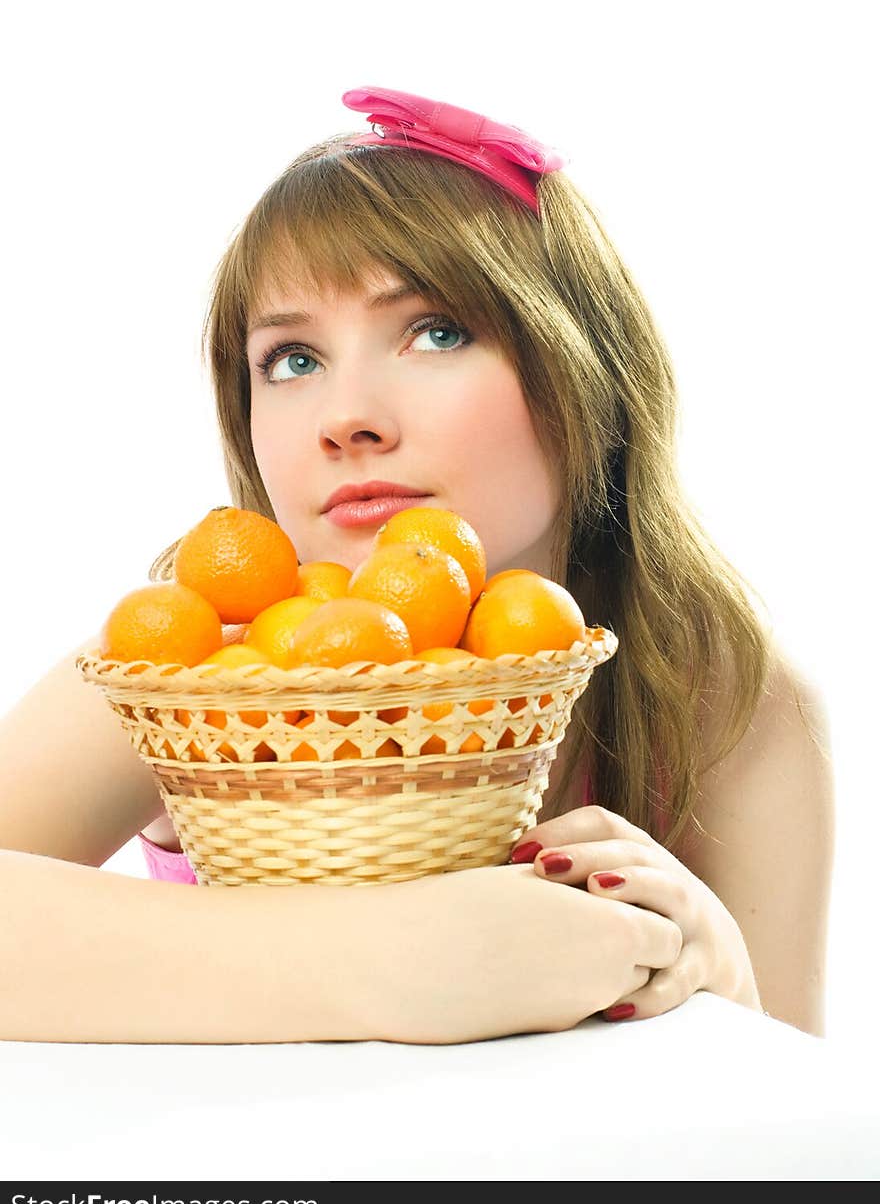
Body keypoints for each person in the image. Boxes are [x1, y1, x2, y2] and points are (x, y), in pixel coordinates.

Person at [0, 85, 834, 1045]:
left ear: (588, 366)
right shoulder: (185, 673)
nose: (345, 416)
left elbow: (802, 1162)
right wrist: (380, 960)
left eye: (436, 332)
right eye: (291, 359)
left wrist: (719, 972)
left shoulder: (729, 702)